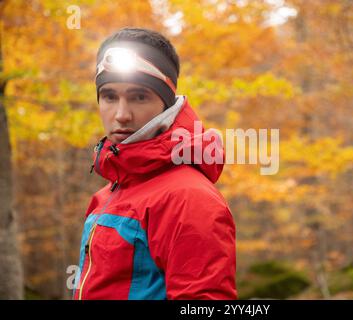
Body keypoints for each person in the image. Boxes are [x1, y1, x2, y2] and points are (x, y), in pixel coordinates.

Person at [72, 27, 237, 300]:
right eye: (110, 96)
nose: (121, 115)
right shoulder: (106, 194)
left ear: (167, 104)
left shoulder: (188, 198)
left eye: (139, 96)